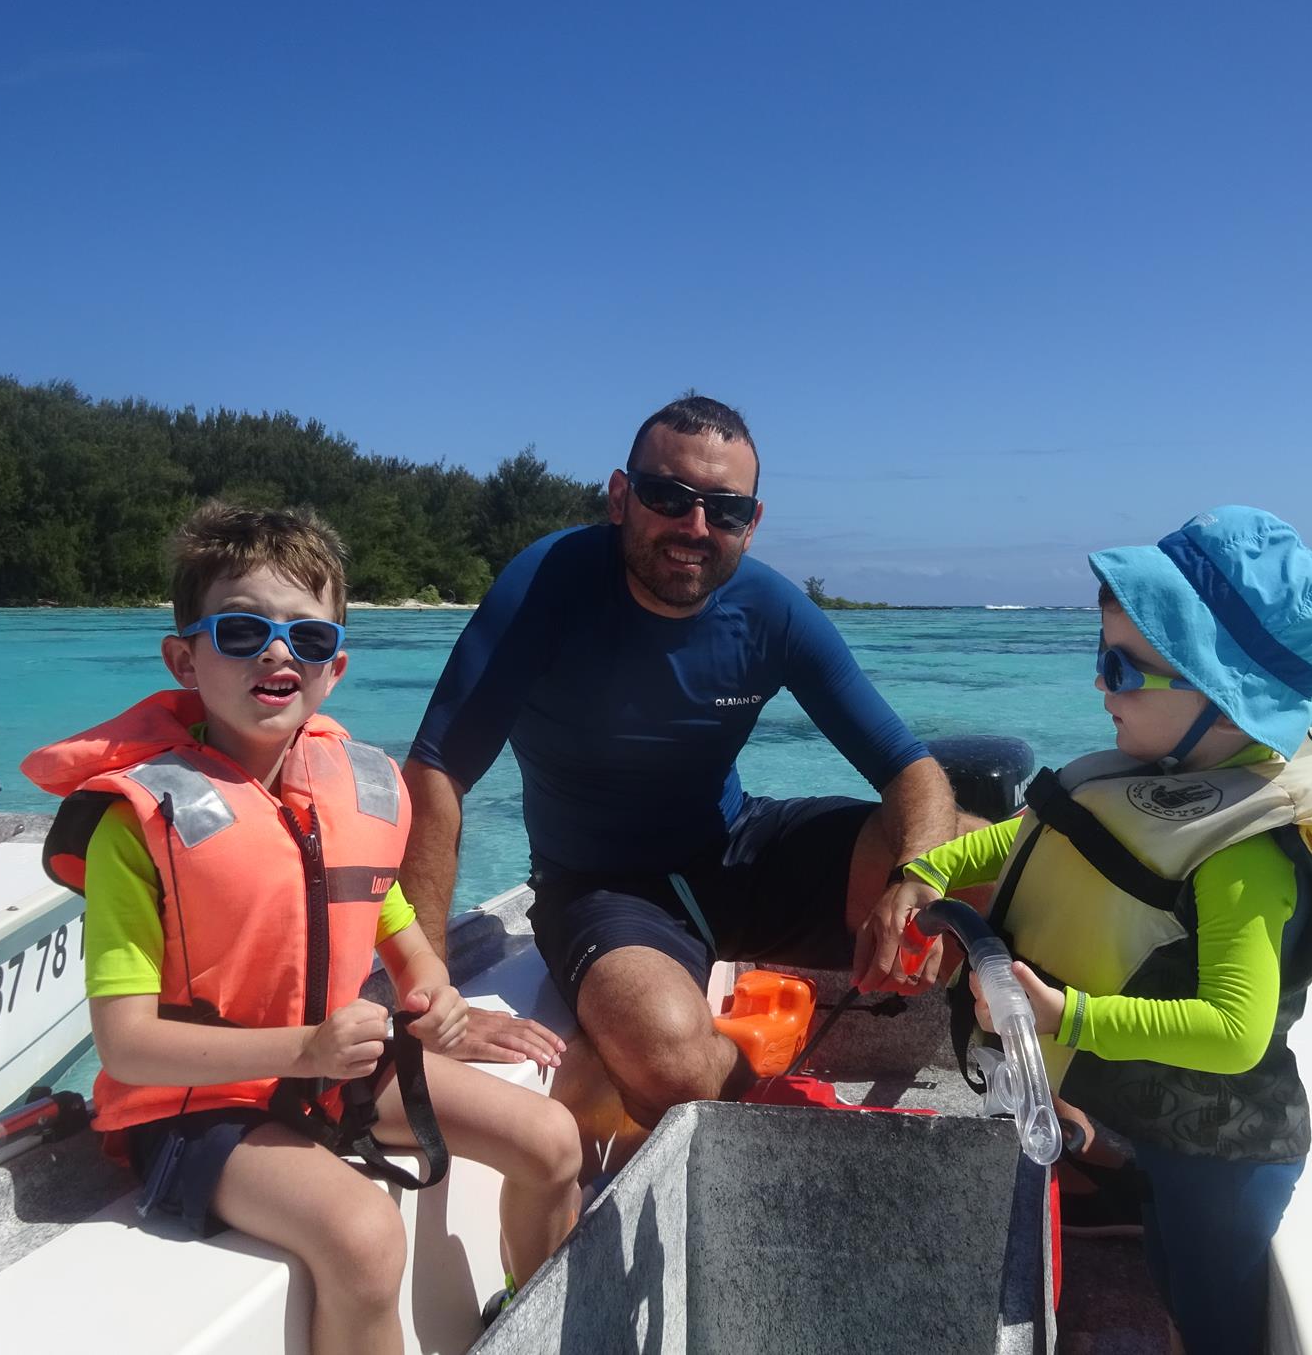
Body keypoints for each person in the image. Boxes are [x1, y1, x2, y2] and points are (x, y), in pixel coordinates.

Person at [855, 506, 1312, 1355]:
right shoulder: (1143, 776)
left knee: (1205, 1306)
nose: (1099, 685)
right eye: (1101, 658)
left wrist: (1065, 1016)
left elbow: (1233, 1036)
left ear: (1219, 689)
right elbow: (1041, 831)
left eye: (1122, 667)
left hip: (1226, 1159)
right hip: (1152, 1127)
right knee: (1158, 1247)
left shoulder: (1246, 855)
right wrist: (928, 869)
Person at [22, 504, 579, 1355]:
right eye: (243, 632)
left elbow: (380, 902)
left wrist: (432, 985)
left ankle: (533, 1328)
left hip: (325, 1073)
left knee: (551, 1140)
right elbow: (127, 1047)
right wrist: (307, 1050)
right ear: (185, 658)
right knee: (362, 1235)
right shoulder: (136, 827)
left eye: (308, 640)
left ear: (334, 668)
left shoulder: (341, 792)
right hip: (194, 1112)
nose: (279, 654)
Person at [401, 395, 974, 1152]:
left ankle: (1065, 1114)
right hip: (603, 887)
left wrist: (921, 877)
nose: (694, 528)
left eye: (724, 509)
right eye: (668, 497)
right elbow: (436, 774)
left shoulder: (770, 610)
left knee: (987, 852)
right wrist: (433, 992)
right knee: (668, 1061)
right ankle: (753, 1057)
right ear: (619, 496)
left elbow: (911, 770)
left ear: (752, 521)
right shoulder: (547, 587)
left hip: (736, 848)